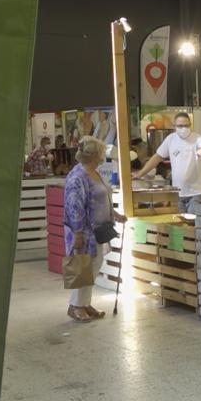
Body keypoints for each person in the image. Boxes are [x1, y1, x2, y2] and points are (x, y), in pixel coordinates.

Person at [63, 137, 126, 322]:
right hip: (83, 232)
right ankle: (76, 306)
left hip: (98, 230)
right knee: (83, 268)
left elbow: (102, 198)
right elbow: (74, 207)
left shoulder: (95, 173)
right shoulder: (78, 177)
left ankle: (84, 303)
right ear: (93, 155)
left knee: (94, 266)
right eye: (101, 151)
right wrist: (77, 233)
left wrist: (115, 214)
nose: (103, 155)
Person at [132, 112, 201, 214]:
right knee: (179, 222)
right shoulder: (170, 139)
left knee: (194, 221)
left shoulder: (198, 138)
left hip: (197, 193)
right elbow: (157, 157)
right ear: (174, 126)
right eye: (180, 126)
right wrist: (140, 173)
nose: (183, 128)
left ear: (190, 125)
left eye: (186, 125)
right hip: (177, 193)